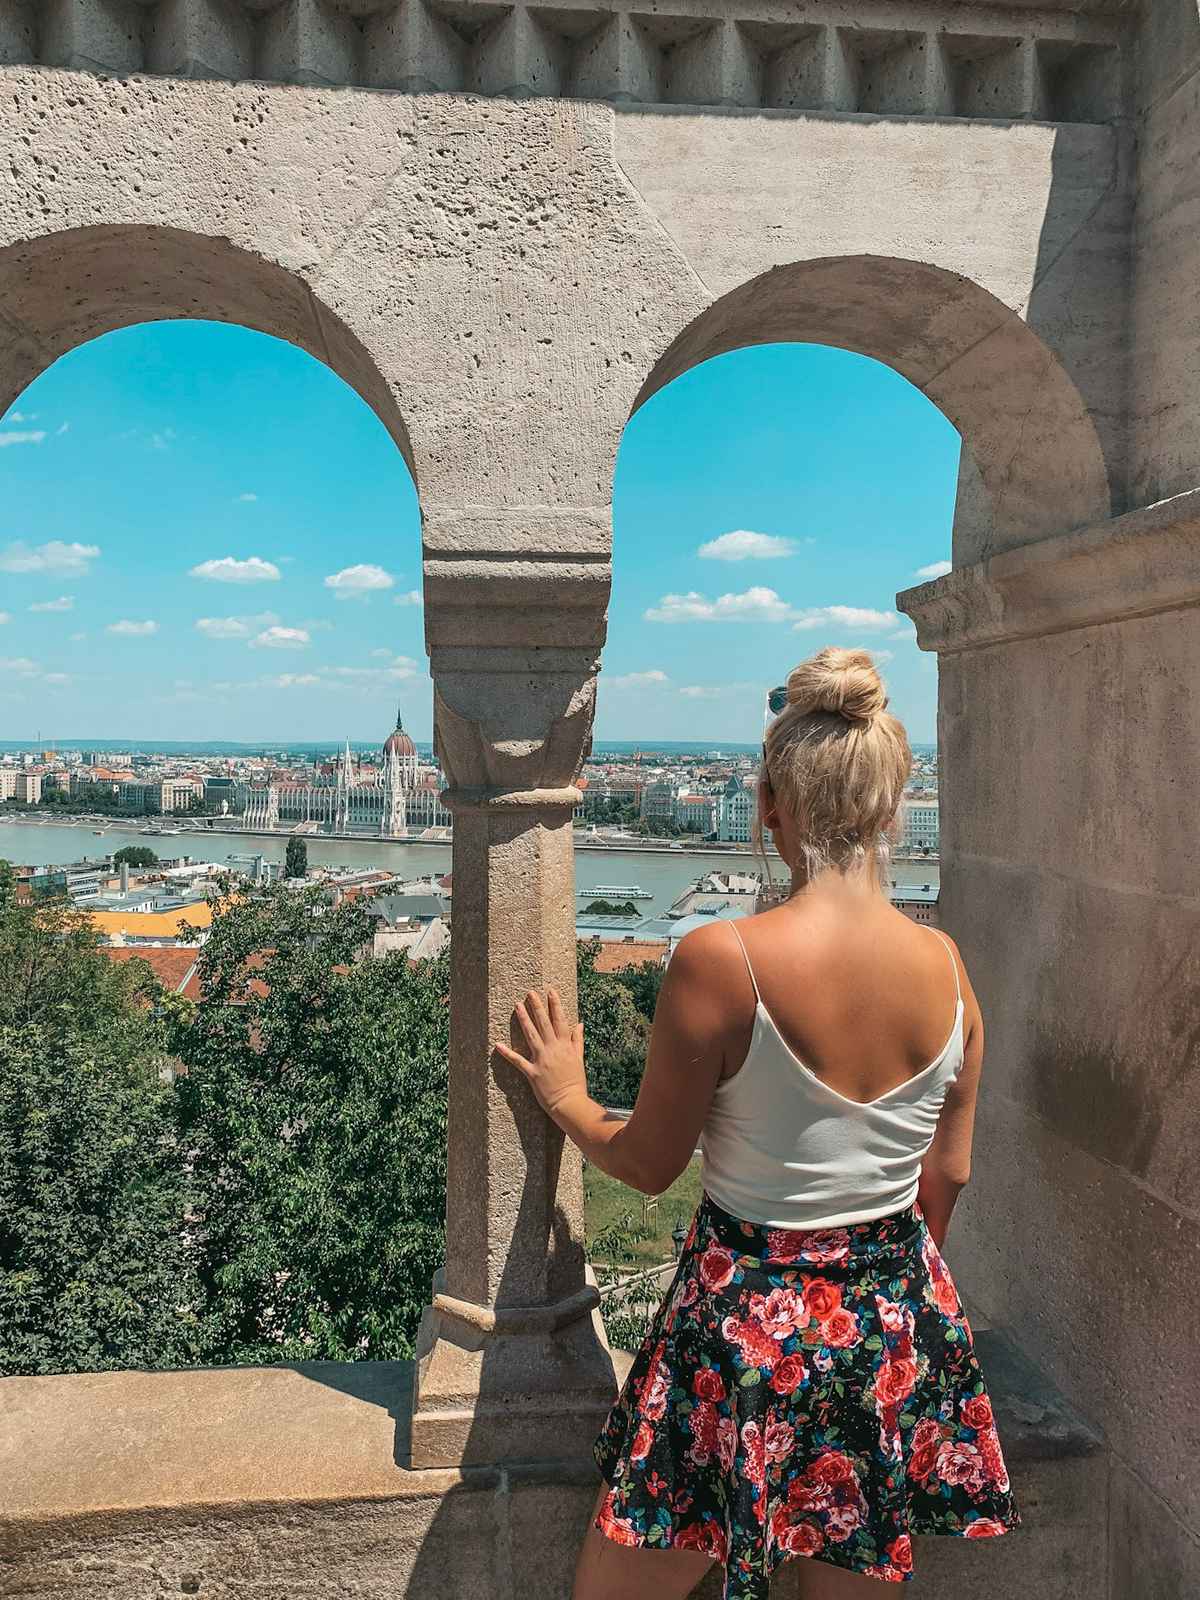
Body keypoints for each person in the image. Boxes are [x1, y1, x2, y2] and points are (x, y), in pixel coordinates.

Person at [495, 647, 1020, 1599]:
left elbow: (651, 1163)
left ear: (770, 804)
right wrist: (872, 1292)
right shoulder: (948, 970)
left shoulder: (720, 958)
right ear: (894, 810)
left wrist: (567, 1095)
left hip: (742, 1334)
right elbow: (949, 1177)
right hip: (887, 1332)